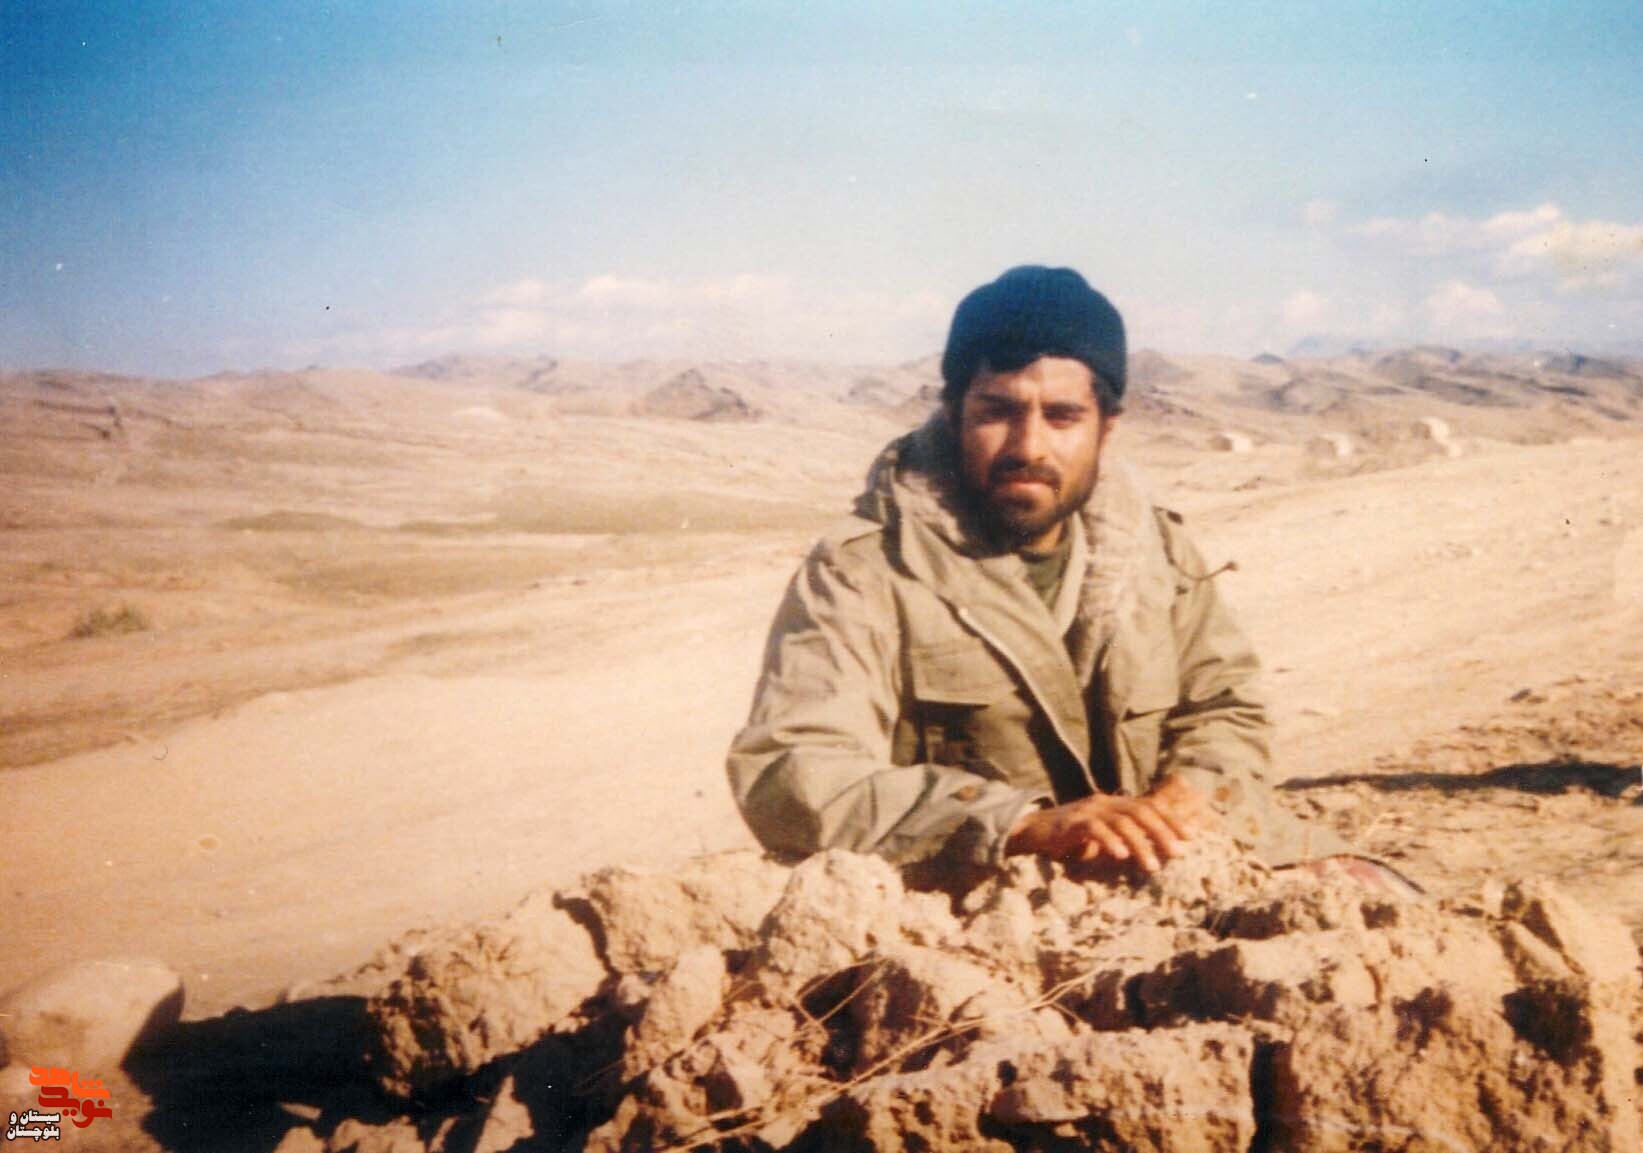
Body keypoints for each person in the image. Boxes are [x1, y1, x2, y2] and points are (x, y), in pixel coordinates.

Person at [726, 265, 1356, 878]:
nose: (1028, 447)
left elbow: (1227, 705)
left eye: (1061, 416)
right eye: (997, 412)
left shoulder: (1155, 549)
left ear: (1106, 428)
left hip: (1168, 860)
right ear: (954, 414)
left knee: (1368, 889)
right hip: (979, 887)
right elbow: (792, 769)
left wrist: (1191, 794)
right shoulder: (864, 569)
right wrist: (1016, 824)